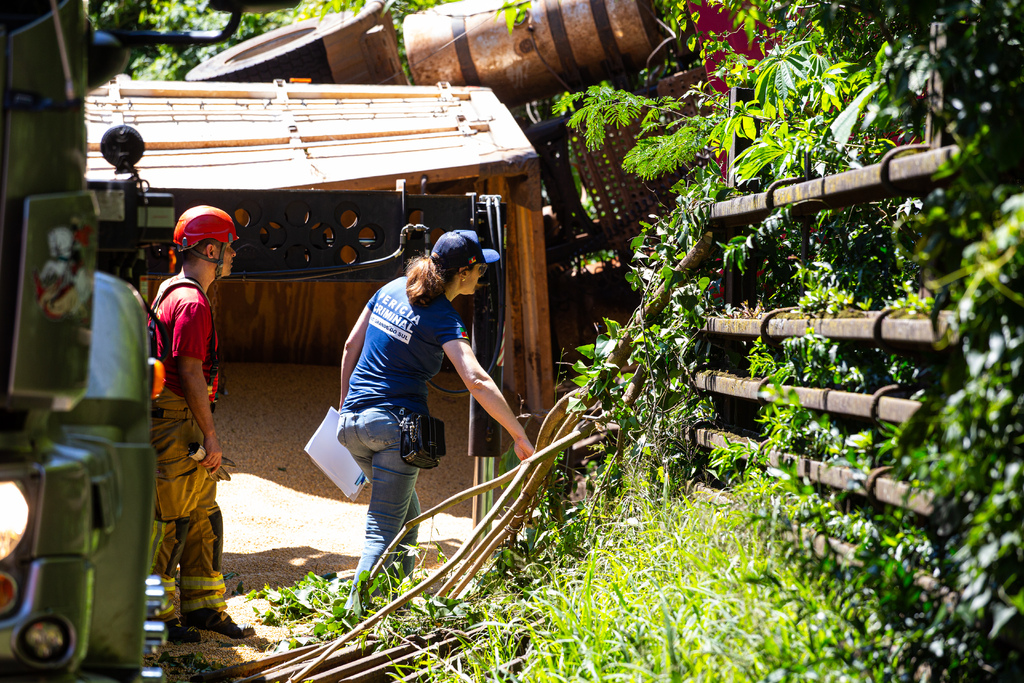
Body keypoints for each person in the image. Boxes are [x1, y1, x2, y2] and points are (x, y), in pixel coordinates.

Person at [338, 228, 535, 607]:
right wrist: (518, 434)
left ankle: (391, 607)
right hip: (392, 430)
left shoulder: (394, 286)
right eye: (480, 272)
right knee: (382, 531)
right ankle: (356, 619)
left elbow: (350, 345)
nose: (482, 279)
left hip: (351, 427)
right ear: (464, 272)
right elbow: (476, 379)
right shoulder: (444, 316)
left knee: (407, 524)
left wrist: (346, 407)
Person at [149, 205, 254, 642]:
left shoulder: (170, 290)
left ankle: (202, 608)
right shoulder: (191, 303)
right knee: (168, 522)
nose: (232, 257)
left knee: (201, 513)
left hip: (180, 420)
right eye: (228, 248)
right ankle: (154, 618)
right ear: (211, 249)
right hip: (177, 424)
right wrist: (210, 434)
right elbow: (191, 373)